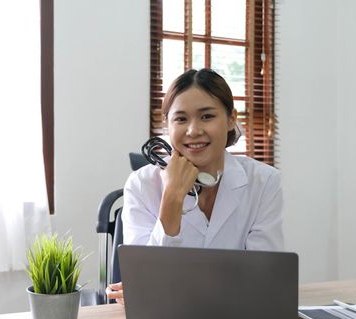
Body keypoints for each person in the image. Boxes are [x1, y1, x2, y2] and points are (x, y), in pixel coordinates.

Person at [106, 68, 284, 304]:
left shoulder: (264, 182)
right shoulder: (142, 185)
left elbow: (264, 278)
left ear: (231, 119)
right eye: (180, 119)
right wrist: (172, 196)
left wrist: (162, 287)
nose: (193, 131)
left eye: (207, 116)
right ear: (167, 124)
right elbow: (146, 286)